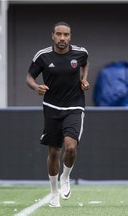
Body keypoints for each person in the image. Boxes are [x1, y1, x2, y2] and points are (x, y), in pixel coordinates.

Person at [26, 22, 89, 207]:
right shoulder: (43, 56)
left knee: (70, 148)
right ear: (53, 35)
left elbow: (85, 64)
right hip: (52, 108)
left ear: (70, 36)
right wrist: (36, 87)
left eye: (66, 35)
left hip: (74, 106)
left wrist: (84, 79)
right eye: (59, 34)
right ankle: (54, 192)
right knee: (54, 152)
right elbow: (29, 77)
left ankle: (66, 176)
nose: (63, 38)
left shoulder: (80, 53)